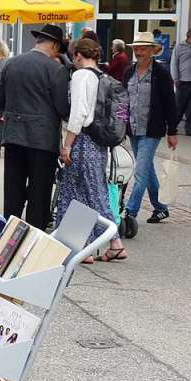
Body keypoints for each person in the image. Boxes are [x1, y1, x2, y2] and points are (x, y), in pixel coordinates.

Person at [56, 38, 128, 262]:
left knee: (89, 192)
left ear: (78, 55)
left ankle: (113, 241)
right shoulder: (102, 76)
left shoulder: (80, 76)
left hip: (83, 141)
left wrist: (67, 144)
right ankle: (80, 246)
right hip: (97, 143)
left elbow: (78, 114)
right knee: (82, 192)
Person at [0, 23, 71, 229]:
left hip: (13, 136)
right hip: (43, 140)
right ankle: (33, 239)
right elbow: (63, 108)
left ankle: (9, 233)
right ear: (54, 46)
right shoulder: (56, 70)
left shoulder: (11, 63)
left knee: (13, 191)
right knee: (39, 194)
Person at [123, 31, 178, 228]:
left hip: (152, 130)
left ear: (152, 51)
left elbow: (171, 104)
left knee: (140, 172)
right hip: (134, 128)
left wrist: (173, 131)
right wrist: (121, 124)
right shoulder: (129, 71)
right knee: (147, 169)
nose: (138, 51)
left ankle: (130, 213)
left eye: (143, 48)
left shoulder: (161, 74)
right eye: (136, 48)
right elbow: (123, 101)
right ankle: (161, 207)